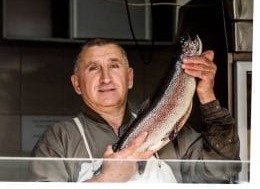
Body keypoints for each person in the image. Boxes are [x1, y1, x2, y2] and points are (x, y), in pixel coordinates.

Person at [30, 38, 241, 182]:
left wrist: (206, 95)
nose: (105, 78)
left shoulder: (167, 124)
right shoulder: (58, 140)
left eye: (114, 66)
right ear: (77, 84)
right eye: (93, 68)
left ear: (129, 78)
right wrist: (105, 180)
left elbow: (222, 171)